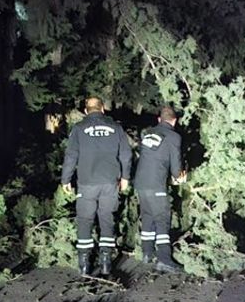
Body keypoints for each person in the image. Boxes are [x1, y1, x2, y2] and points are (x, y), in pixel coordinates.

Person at [60, 96, 131, 277]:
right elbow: (125, 154)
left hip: (87, 183)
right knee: (107, 217)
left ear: (86, 111)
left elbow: (71, 156)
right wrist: (125, 177)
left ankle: (84, 265)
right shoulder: (116, 127)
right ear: (102, 109)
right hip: (110, 181)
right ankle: (106, 262)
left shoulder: (78, 128)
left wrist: (65, 179)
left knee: (85, 219)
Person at [133, 106, 185, 272]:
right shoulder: (174, 136)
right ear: (174, 120)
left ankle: (147, 253)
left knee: (147, 216)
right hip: (156, 183)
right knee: (162, 217)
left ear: (158, 119)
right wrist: (178, 175)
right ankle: (164, 258)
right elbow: (175, 161)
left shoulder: (148, 133)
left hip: (141, 182)